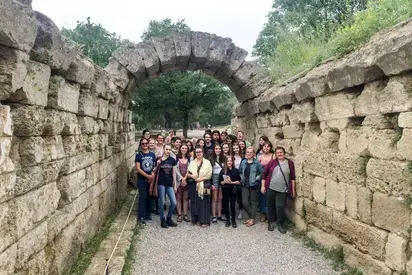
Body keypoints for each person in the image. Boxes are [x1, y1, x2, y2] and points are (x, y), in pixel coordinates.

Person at [261, 147, 296, 234]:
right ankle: (270, 222)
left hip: (283, 190)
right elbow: (264, 175)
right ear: (275, 154)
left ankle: (280, 224)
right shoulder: (272, 162)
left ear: (284, 153)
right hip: (271, 188)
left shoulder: (290, 163)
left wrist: (293, 190)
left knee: (280, 207)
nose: (279, 154)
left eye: (281, 152)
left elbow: (292, 177)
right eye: (277, 153)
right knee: (270, 206)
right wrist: (263, 186)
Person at [187, 146, 213, 227]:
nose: (198, 153)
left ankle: (204, 221)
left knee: (205, 202)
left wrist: (201, 179)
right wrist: (192, 176)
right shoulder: (192, 162)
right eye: (197, 152)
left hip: (205, 184)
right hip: (194, 184)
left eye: (200, 152)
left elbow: (209, 174)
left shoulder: (207, 162)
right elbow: (188, 173)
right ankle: (196, 219)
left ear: (202, 152)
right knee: (194, 201)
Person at [153, 144, 178, 228]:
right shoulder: (159, 159)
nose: (168, 151)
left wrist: (174, 185)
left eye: (169, 149)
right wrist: (157, 164)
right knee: (162, 201)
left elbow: (174, 173)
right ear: (163, 150)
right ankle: (162, 219)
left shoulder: (172, 160)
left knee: (173, 202)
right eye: (166, 149)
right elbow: (154, 171)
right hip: (161, 183)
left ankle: (169, 218)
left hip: (169, 183)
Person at [239, 147, 263, 227]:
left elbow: (261, 173)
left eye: (250, 152)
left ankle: (252, 219)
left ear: (253, 154)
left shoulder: (257, 163)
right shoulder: (243, 162)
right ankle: (252, 217)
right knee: (244, 202)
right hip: (244, 184)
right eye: (247, 152)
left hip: (253, 185)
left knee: (253, 202)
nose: (249, 154)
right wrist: (241, 177)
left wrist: (257, 179)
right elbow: (240, 171)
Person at [135, 138, 156, 224]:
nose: (144, 145)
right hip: (142, 179)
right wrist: (147, 176)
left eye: (146, 143)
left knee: (150, 196)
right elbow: (138, 168)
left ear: (148, 144)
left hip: (151, 179)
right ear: (141, 145)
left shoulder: (152, 154)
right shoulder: (138, 155)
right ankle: (141, 216)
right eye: (142, 144)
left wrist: (152, 175)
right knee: (143, 197)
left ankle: (148, 214)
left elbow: (154, 166)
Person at [219, 156, 241, 228]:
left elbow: (238, 182)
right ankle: (228, 219)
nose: (229, 162)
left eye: (231, 161)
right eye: (228, 161)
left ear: (232, 162)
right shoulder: (223, 171)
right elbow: (220, 182)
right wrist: (224, 182)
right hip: (225, 190)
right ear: (226, 162)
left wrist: (231, 182)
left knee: (232, 205)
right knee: (225, 205)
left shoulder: (236, 170)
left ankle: (233, 220)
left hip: (233, 190)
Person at [257, 141, 275, 223]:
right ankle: (263, 213)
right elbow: (257, 168)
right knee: (262, 196)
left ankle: (270, 214)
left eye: (268, 146)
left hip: (271, 178)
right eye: (265, 146)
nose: (266, 148)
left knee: (270, 195)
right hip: (262, 178)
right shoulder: (260, 157)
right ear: (262, 147)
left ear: (270, 147)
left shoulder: (273, 156)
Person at [209, 144, 226, 223]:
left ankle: (219, 215)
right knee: (214, 198)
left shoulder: (224, 158)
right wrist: (211, 183)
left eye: (219, 149)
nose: (218, 150)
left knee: (220, 198)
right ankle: (214, 216)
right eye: (216, 148)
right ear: (214, 150)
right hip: (214, 178)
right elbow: (209, 173)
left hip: (222, 178)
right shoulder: (211, 159)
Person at [176, 144, 191, 223]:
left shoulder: (189, 158)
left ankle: (185, 214)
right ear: (180, 149)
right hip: (178, 181)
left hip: (186, 181)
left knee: (185, 198)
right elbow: (175, 169)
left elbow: (190, 169)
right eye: (183, 148)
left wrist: (185, 178)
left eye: (186, 148)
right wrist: (181, 179)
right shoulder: (176, 158)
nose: (184, 149)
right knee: (178, 198)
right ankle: (179, 214)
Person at [232, 143, 244, 220]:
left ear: (239, 148)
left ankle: (240, 211)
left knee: (239, 195)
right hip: (233, 177)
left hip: (241, 178)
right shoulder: (231, 157)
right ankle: (232, 212)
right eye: (234, 148)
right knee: (232, 195)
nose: (236, 150)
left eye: (237, 148)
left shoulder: (243, 158)